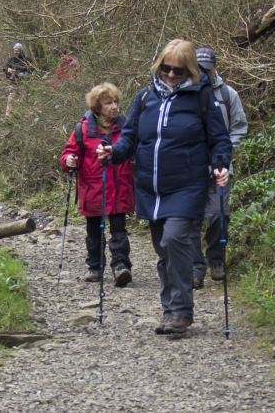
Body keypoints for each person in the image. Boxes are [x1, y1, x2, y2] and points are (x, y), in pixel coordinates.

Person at [97, 39, 232, 334]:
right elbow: (130, 135)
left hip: (188, 186)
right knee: (163, 250)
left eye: (178, 71)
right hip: (150, 188)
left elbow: (220, 139)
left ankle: (181, 311)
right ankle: (170, 309)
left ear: (190, 71)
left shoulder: (202, 98)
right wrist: (114, 151)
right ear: (159, 66)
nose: (171, 75)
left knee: (173, 241)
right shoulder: (146, 97)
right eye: (166, 69)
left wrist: (221, 165)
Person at [60, 83, 135, 287]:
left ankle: (120, 266)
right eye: (108, 103)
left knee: (119, 230)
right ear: (97, 107)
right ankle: (95, 266)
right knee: (93, 232)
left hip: (119, 187)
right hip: (92, 188)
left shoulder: (126, 126)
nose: (114, 106)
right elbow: (69, 152)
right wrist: (69, 160)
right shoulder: (83, 129)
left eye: (115, 102)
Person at [192, 47, 248, 289]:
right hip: (191, 168)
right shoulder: (186, 94)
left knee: (219, 215)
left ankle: (216, 260)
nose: (204, 72)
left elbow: (239, 126)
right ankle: (196, 269)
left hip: (220, 168)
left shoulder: (228, 95)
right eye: (199, 68)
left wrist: (224, 152)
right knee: (190, 220)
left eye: (207, 68)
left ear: (215, 67)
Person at [3, 42, 35, 116]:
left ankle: (24, 115)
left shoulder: (27, 60)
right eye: (14, 51)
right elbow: (5, 67)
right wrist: (8, 69)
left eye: (17, 51)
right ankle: (7, 115)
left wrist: (24, 74)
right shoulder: (11, 60)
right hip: (13, 82)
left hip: (24, 83)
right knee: (10, 98)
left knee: (24, 99)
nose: (15, 53)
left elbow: (32, 70)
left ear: (21, 51)